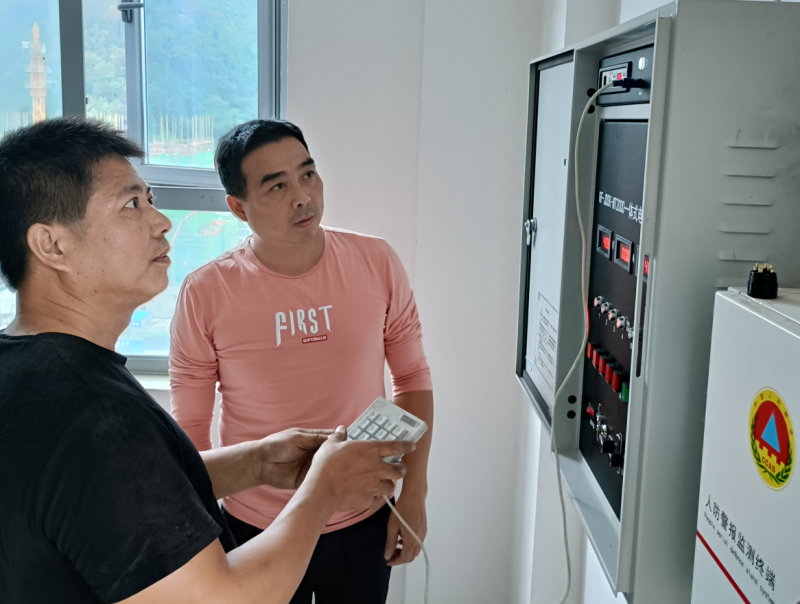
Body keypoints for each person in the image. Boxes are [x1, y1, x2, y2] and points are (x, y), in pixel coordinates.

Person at [0, 117, 414, 604]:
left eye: (150, 198)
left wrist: (257, 462)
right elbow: (224, 598)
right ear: (52, 245)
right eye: (131, 204)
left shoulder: (33, 370)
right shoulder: (101, 417)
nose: (161, 221)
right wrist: (322, 492)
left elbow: (106, 497)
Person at [170, 119, 434, 603]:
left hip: (365, 512)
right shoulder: (206, 292)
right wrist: (203, 531)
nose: (302, 196)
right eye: (277, 186)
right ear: (238, 207)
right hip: (254, 526)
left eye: (308, 174)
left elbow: (412, 377)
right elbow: (191, 428)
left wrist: (413, 494)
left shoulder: (376, 261)